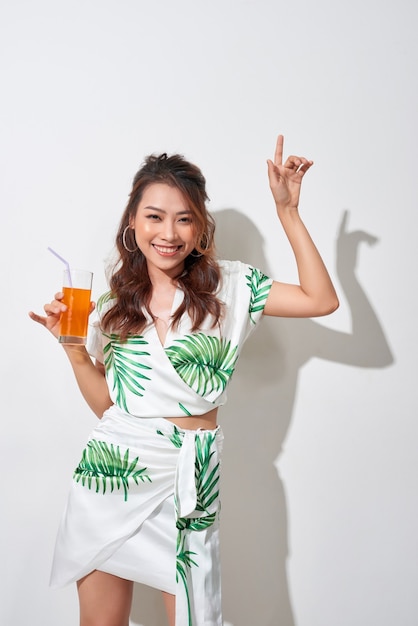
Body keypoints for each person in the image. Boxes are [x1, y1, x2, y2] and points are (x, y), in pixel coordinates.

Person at [29, 135, 339, 626]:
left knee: (198, 617)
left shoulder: (231, 288)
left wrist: (288, 213)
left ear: (200, 227)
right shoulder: (111, 306)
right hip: (112, 472)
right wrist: (73, 350)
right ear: (133, 223)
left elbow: (320, 300)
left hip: (190, 477)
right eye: (154, 216)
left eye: (184, 217)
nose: (168, 232)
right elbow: (110, 407)